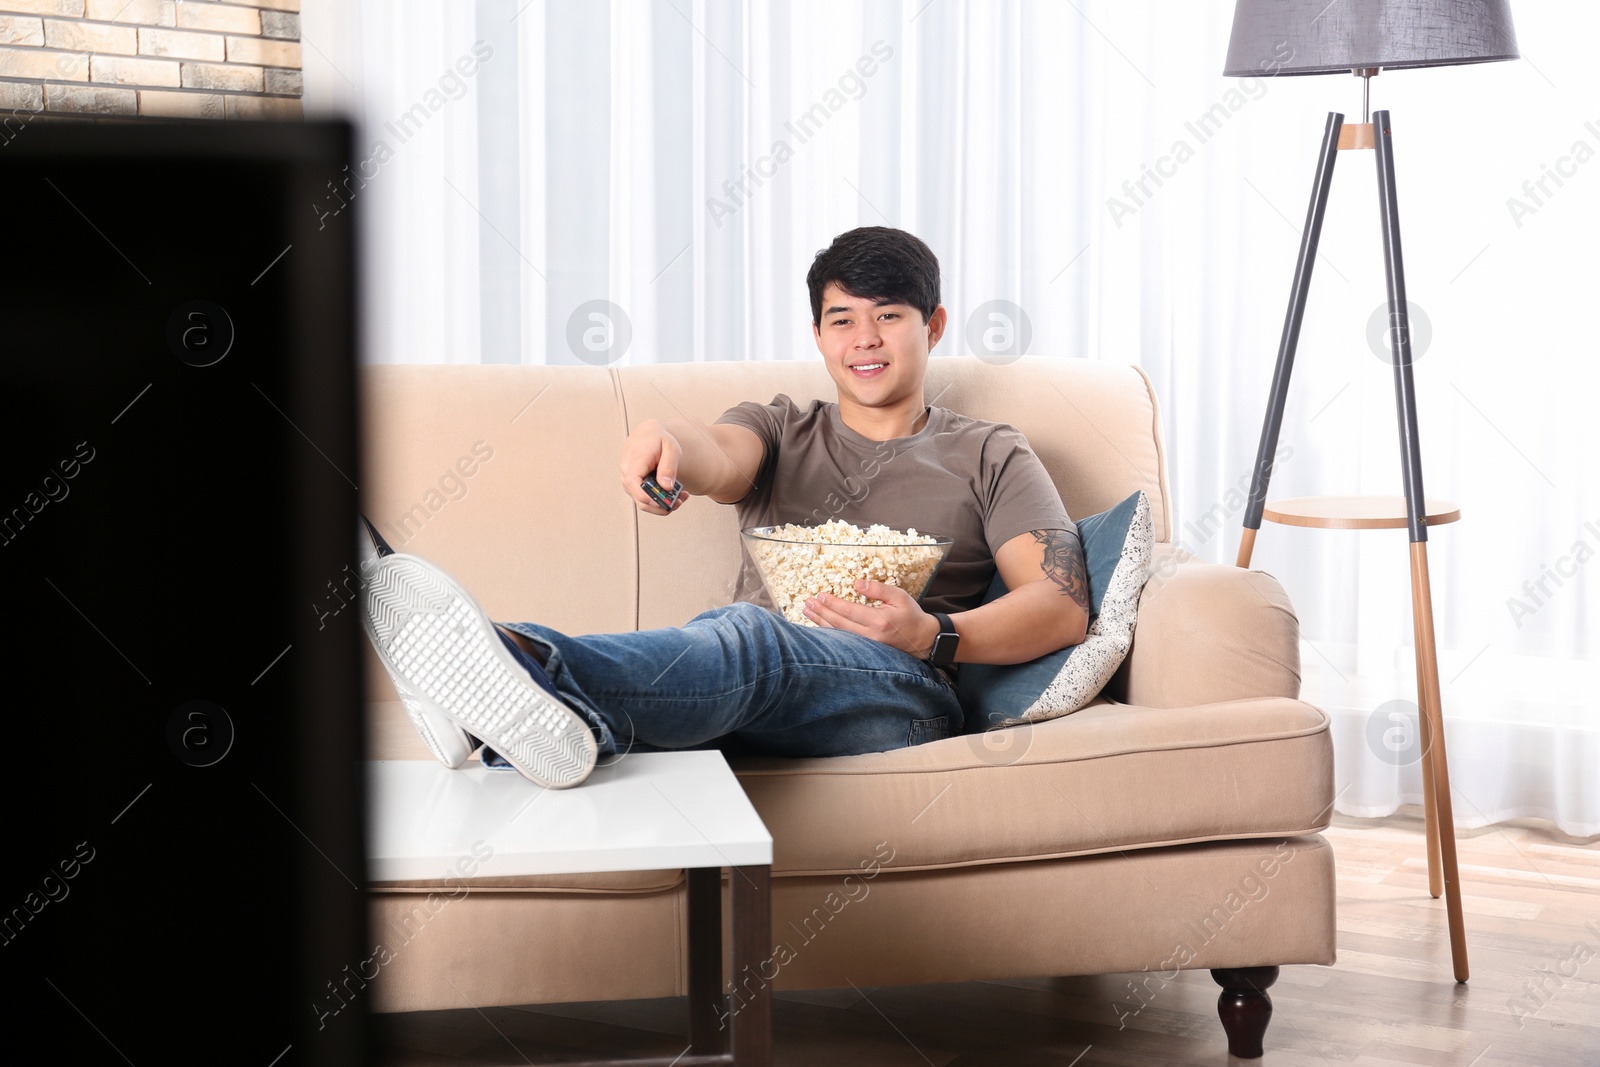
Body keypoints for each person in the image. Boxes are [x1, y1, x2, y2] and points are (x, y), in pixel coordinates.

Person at [360, 226, 1090, 789]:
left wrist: (933, 634)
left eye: (888, 316)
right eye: (841, 320)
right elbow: (716, 451)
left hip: (905, 692)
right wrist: (664, 439)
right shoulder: (777, 427)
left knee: (749, 637)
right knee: (731, 653)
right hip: (750, 684)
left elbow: (1060, 605)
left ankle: (516, 660)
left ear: (932, 326)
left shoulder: (990, 452)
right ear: (818, 336)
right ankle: (527, 720)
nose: (864, 340)